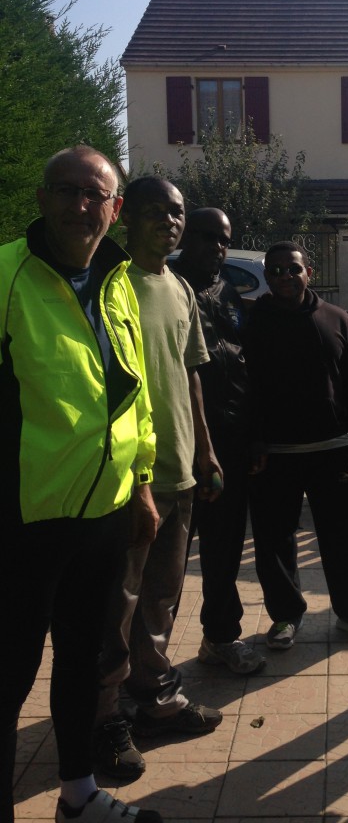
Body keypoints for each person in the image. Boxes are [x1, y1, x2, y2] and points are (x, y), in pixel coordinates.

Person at [0, 147, 161, 823]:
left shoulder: (117, 281)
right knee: (10, 673)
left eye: (95, 194)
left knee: (81, 661)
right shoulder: (7, 274)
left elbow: (135, 394)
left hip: (103, 513)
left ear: (114, 209)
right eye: (66, 191)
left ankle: (78, 794)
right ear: (42, 199)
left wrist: (143, 483)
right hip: (23, 519)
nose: (80, 205)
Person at [94, 178, 224, 780]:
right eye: (156, 211)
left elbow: (191, 373)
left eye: (177, 213)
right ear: (126, 216)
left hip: (179, 471)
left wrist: (206, 452)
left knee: (161, 599)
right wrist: (136, 480)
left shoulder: (180, 288)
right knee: (116, 603)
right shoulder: (108, 285)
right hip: (126, 479)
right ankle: (103, 720)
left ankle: (154, 699)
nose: (169, 222)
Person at [244, 241, 348, 650]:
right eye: (276, 271)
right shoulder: (254, 323)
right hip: (275, 454)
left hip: (334, 450)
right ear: (267, 276)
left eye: (293, 269)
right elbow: (245, 386)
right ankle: (285, 616)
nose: (285, 277)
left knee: (346, 538)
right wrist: (253, 440)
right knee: (274, 541)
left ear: (309, 272)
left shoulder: (336, 319)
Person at [172, 208, 266, 675]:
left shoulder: (227, 290)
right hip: (178, 444)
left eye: (224, 239)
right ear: (185, 237)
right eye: (208, 237)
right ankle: (144, 662)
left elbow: (243, 363)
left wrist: (253, 436)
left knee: (225, 547)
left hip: (229, 442)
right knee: (166, 560)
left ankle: (221, 636)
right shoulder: (166, 287)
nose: (218, 247)